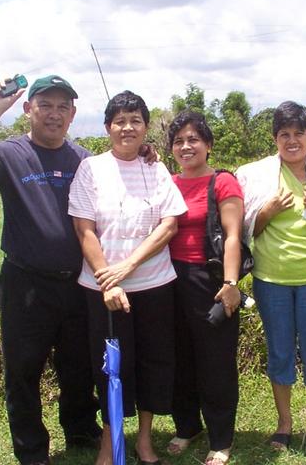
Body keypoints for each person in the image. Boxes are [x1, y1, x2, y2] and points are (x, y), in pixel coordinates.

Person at [0, 74, 105, 465]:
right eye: (45, 105)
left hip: (78, 283)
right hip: (25, 285)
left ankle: (82, 429)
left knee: (79, 367)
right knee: (23, 371)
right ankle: (33, 451)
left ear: (72, 114)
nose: (54, 114)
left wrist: (147, 153)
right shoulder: (9, 154)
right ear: (28, 109)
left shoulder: (84, 160)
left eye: (62, 107)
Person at [68, 90, 188, 465]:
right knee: (111, 367)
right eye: (120, 120)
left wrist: (129, 266)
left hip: (154, 285)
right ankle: (110, 444)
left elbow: (169, 225)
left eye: (135, 120)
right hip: (104, 291)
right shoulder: (91, 168)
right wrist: (110, 280)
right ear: (108, 127)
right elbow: (84, 230)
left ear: (146, 127)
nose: (127, 127)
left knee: (155, 363)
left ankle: (145, 442)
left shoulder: (156, 168)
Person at [236, 101, 306, 459]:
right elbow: (245, 229)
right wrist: (267, 211)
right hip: (271, 281)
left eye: (299, 133)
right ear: (275, 140)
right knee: (280, 353)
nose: (292, 140)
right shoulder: (260, 178)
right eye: (284, 134)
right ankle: (284, 424)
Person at [165, 111, 244, 465]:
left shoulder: (223, 182)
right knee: (178, 358)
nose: (186, 146)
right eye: (179, 141)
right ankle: (187, 426)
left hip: (209, 280)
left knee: (216, 362)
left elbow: (232, 236)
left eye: (193, 139)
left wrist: (231, 284)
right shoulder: (166, 182)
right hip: (168, 280)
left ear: (208, 145)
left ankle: (221, 439)